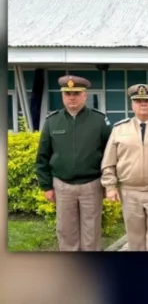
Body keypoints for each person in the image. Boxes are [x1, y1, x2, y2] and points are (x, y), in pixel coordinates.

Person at [35, 75, 112, 251]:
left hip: (91, 185)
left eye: (76, 93)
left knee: (91, 232)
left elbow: (110, 155)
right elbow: (42, 156)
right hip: (62, 185)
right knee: (66, 231)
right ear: (63, 96)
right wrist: (46, 186)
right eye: (68, 93)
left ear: (85, 95)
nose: (72, 97)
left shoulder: (99, 120)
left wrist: (109, 184)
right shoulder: (52, 121)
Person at [101, 84, 148, 251]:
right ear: (132, 105)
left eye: (147, 100)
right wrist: (110, 186)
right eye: (138, 101)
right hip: (130, 191)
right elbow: (109, 161)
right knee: (134, 237)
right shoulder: (120, 129)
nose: (143, 104)